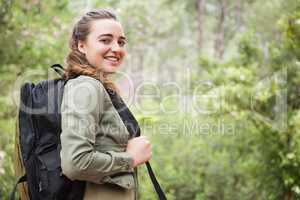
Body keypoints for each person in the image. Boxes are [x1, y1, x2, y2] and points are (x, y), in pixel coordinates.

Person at [60, 9, 152, 200]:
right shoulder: (86, 86)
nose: (117, 48)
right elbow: (75, 163)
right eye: (105, 40)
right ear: (82, 45)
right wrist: (131, 158)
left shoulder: (99, 87)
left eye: (121, 42)